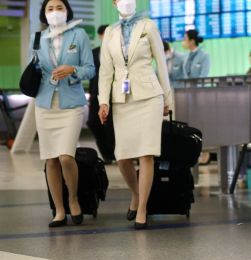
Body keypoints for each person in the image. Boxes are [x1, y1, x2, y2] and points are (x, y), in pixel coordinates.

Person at [98, 0, 172, 229]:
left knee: (146, 154)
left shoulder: (148, 26)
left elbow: (161, 63)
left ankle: (142, 208)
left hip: (149, 96)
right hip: (122, 99)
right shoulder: (110, 32)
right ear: (114, 3)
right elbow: (105, 71)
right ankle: (136, 193)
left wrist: (167, 99)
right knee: (122, 156)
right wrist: (103, 102)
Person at [33, 0, 95, 227]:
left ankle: (73, 198)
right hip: (45, 103)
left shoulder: (79, 35)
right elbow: (34, 67)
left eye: (59, 8)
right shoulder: (38, 38)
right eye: (50, 9)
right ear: (44, 14)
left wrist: (73, 70)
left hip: (71, 104)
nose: (55, 12)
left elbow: (90, 68)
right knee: (50, 159)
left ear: (67, 11)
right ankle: (59, 210)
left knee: (66, 156)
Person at [87, 24, 115, 164]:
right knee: (93, 122)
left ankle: (114, 153)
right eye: (103, 35)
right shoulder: (94, 53)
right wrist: (91, 93)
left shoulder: (116, 52)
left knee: (110, 126)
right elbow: (92, 75)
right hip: (95, 94)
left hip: (113, 95)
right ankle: (107, 153)